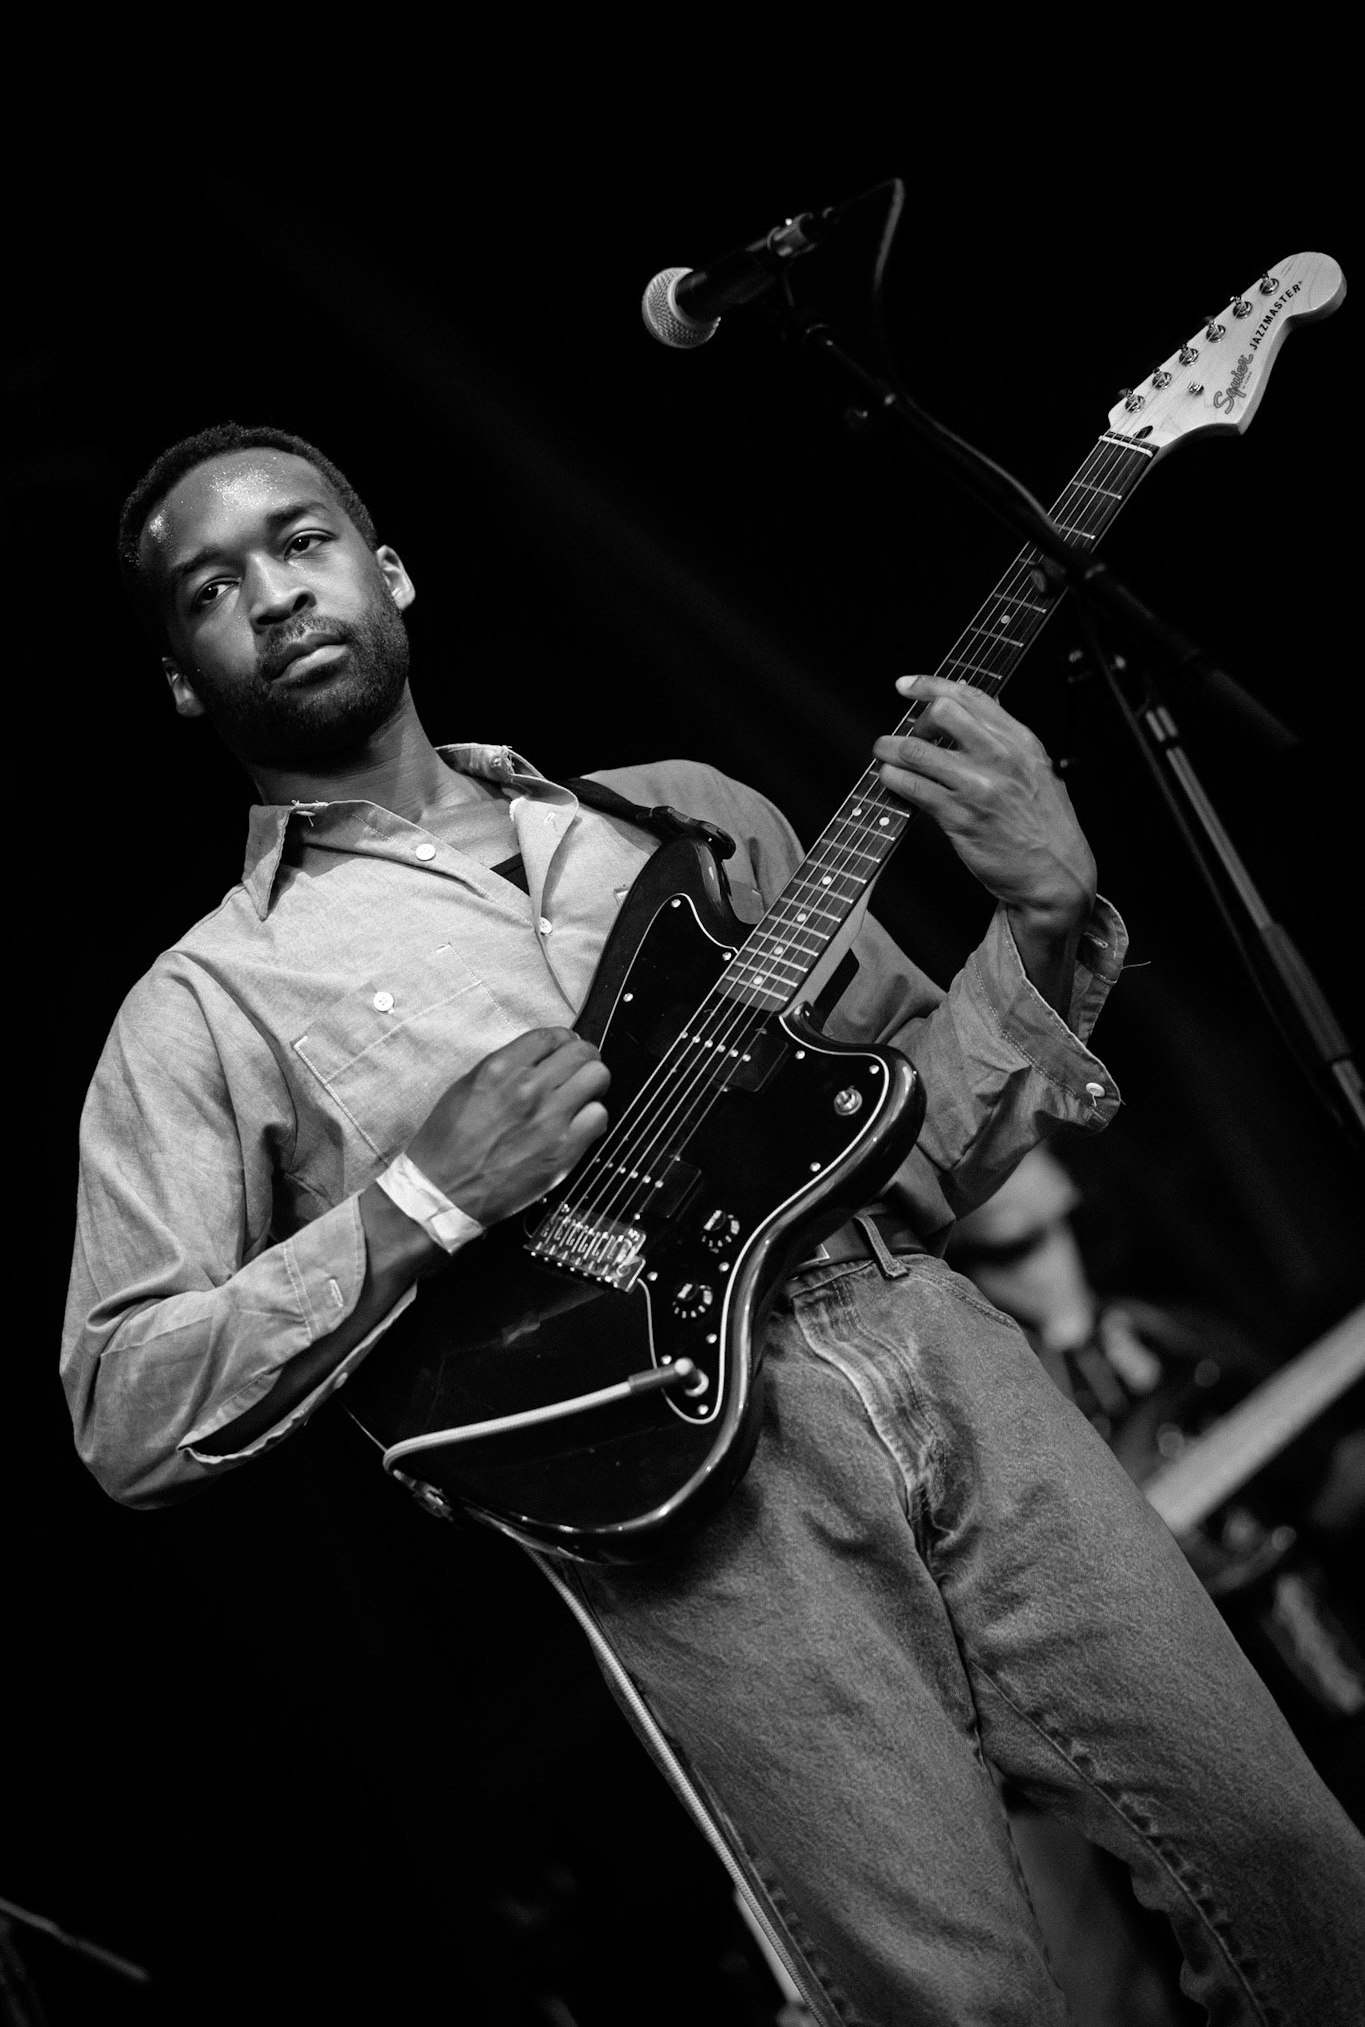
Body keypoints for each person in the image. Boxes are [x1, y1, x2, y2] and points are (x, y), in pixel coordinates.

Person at [63, 423, 1365, 2024]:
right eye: (213, 586)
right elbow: (125, 1405)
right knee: (957, 2000)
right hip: (690, 1509)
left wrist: (1040, 912)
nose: (273, 592)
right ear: (184, 677)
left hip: (934, 1345)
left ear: (387, 569)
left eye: (302, 538)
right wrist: (411, 1202)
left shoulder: (679, 819)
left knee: (1294, 1859)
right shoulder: (203, 1005)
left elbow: (919, 1136)